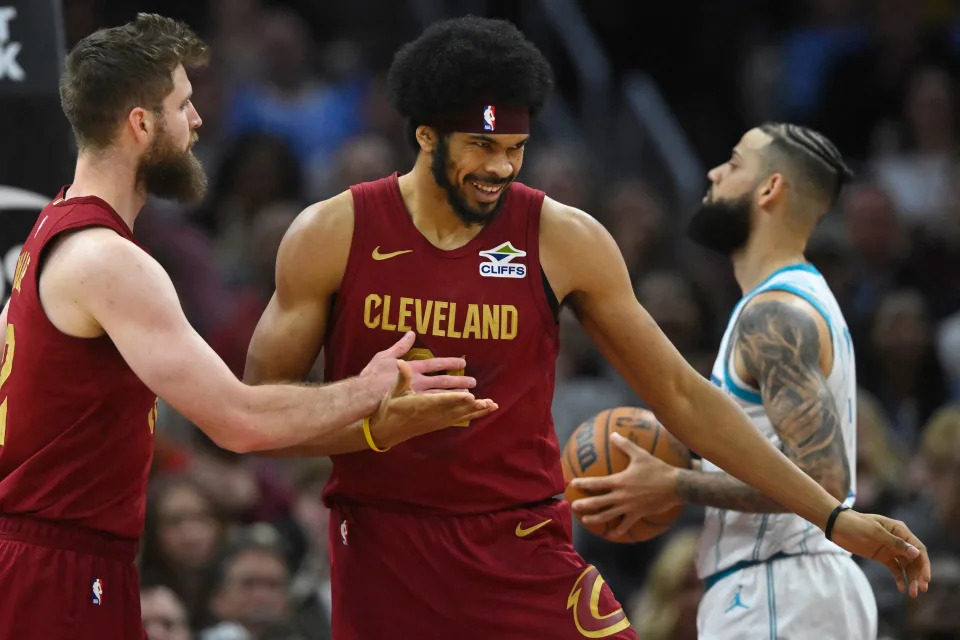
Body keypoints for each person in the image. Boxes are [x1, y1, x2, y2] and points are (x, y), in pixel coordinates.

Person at [245, 17, 929, 640]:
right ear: (426, 135)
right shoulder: (333, 233)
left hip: (522, 543)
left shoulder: (562, 237)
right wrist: (370, 423)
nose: (500, 168)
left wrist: (831, 516)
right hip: (383, 548)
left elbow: (682, 395)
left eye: (515, 148)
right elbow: (256, 414)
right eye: (481, 146)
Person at [0, 14, 495, 640]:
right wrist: (368, 389)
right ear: (141, 124)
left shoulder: (53, 228)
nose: (197, 121)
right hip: (57, 566)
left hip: (58, 555)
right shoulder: (109, 260)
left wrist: (370, 428)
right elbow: (237, 422)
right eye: (183, 104)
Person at [571, 123, 880, 638]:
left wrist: (674, 483)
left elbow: (823, 483)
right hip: (787, 587)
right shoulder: (787, 300)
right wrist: (687, 465)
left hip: (779, 589)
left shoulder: (774, 315)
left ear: (771, 188)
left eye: (734, 163)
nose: (714, 172)